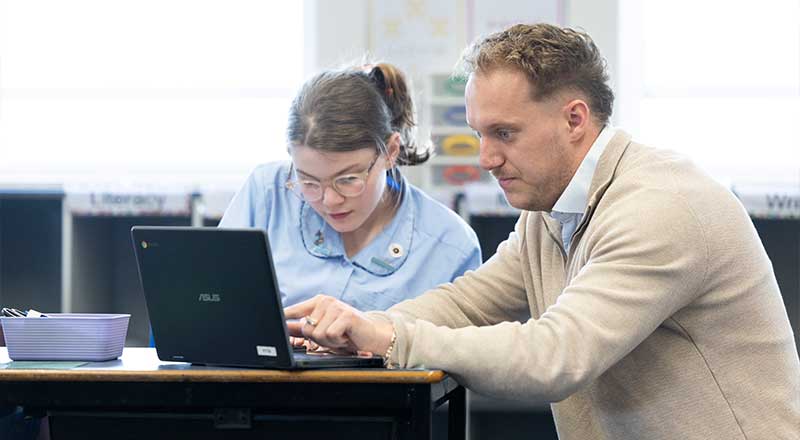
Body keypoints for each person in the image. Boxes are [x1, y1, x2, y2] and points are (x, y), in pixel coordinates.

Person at [284, 23, 800, 439]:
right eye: (479, 134)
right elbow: (468, 304)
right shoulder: (549, 211)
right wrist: (355, 330)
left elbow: (556, 355)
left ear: (574, 119)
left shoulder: (660, 206)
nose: (486, 158)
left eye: (504, 133)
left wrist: (391, 337)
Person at [219, 62, 481, 311]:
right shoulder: (268, 192)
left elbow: (458, 352)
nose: (330, 200)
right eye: (308, 182)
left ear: (390, 151)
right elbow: (213, 298)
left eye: (347, 179)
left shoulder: (450, 246)